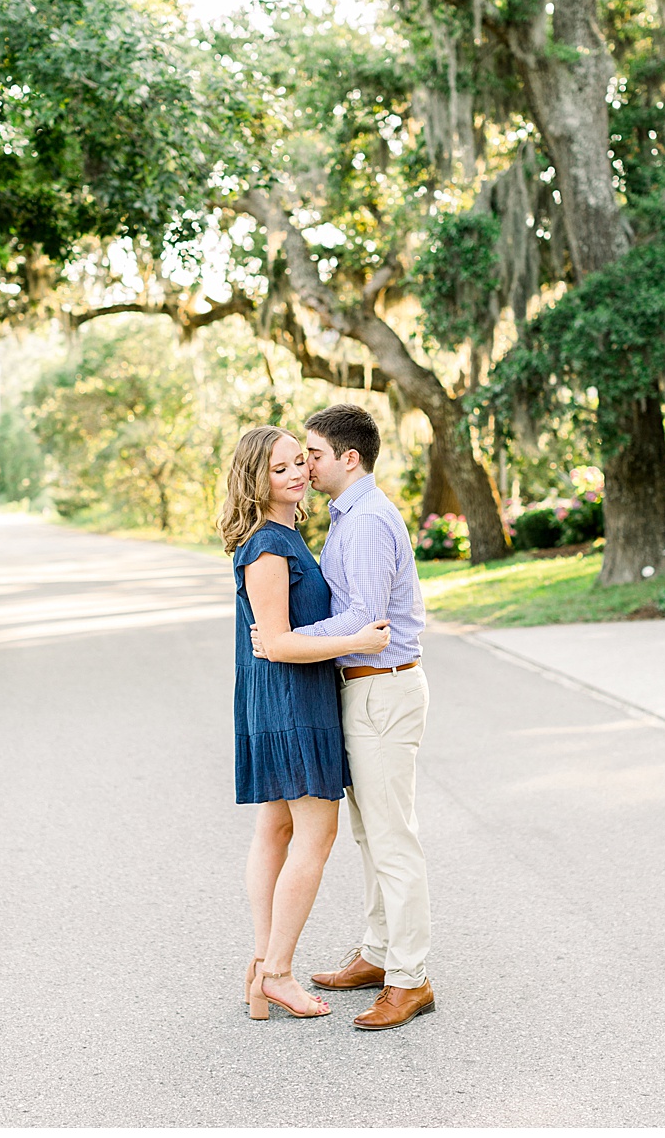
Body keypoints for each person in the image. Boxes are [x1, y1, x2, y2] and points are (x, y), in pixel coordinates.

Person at [253, 403, 435, 1031]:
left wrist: (286, 637)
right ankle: (380, 954)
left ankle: (410, 979)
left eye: (315, 454)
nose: (307, 464)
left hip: (382, 687)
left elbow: (364, 620)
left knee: (392, 839)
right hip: (358, 688)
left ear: (348, 458)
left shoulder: (366, 523)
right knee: (370, 835)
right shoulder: (346, 517)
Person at [219, 425, 392, 1021]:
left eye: (300, 462)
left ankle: (262, 965)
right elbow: (278, 644)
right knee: (314, 837)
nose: (296, 474)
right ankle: (279, 973)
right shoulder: (268, 547)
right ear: (255, 479)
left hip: (286, 700)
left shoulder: (286, 536)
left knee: (277, 831)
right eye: (279, 468)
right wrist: (357, 638)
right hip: (291, 703)